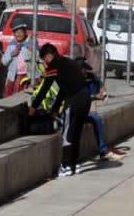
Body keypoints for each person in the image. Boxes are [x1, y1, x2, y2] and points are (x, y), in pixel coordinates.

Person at [29, 44, 92, 177]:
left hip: (74, 100)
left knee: (67, 133)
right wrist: (56, 109)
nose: (45, 62)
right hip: (86, 97)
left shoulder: (54, 66)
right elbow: (64, 89)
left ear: (49, 55)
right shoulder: (69, 62)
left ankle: (65, 166)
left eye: (45, 59)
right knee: (76, 131)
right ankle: (75, 164)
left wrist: (34, 107)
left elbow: (45, 88)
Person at [77, 58, 124, 162]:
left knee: (97, 119)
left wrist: (103, 93)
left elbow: (101, 86)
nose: (85, 72)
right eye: (83, 70)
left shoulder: (90, 77)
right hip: (76, 110)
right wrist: (94, 97)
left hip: (89, 108)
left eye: (85, 70)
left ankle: (103, 151)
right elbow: (78, 98)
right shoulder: (74, 80)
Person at [1, 23, 33, 97]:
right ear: (14, 34)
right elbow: (4, 61)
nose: (18, 34)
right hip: (13, 76)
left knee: (21, 97)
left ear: (25, 33)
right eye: (16, 32)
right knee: (8, 96)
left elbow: (38, 60)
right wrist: (11, 55)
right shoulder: (12, 45)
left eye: (21, 32)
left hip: (26, 77)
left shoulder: (30, 44)